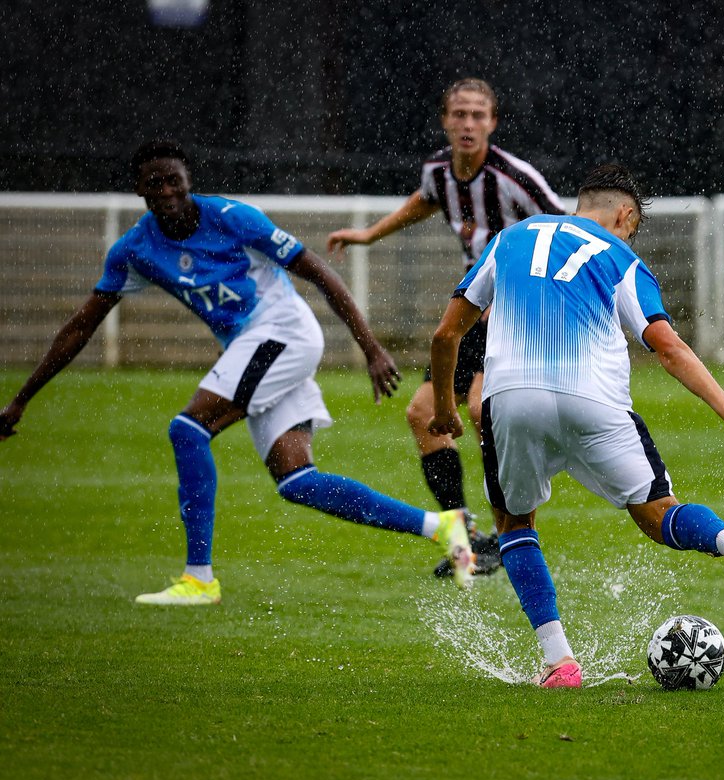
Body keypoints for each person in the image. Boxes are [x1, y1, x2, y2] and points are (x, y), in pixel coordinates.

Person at [0, 140, 478, 604]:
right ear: (139, 191)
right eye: (154, 184)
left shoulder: (232, 218)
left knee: (188, 430)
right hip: (258, 348)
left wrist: (371, 348)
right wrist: (21, 399)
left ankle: (199, 578)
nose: (166, 191)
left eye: (174, 181)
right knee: (297, 481)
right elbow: (80, 326)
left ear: (189, 183)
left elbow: (317, 271)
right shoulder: (134, 249)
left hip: (282, 333)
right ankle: (442, 527)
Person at [427, 164, 724, 688]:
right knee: (660, 516)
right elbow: (668, 347)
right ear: (625, 215)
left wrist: (448, 410)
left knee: (516, 526)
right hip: (596, 401)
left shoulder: (508, 240)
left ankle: (560, 663)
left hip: (512, 399)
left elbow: (446, 334)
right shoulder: (622, 257)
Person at [326, 78, 565, 580]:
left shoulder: (514, 178)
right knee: (424, 415)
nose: (468, 123)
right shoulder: (439, 171)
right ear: (445, 120)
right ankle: (465, 540)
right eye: (459, 114)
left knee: (483, 410)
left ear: (493, 124)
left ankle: (511, 537)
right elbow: (425, 198)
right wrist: (368, 235)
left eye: (479, 115)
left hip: (518, 314)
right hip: (474, 313)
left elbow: (567, 231)